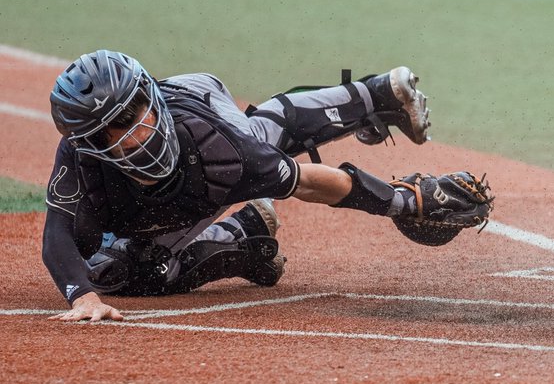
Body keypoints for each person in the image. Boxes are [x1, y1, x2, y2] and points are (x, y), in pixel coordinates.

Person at [43, 49, 486, 322]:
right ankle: (247, 233)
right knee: (123, 271)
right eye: (108, 132)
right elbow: (57, 237)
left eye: (132, 114)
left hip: (204, 103)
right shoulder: (80, 160)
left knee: (258, 148)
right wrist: (83, 296)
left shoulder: (217, 146)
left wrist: (401, 202)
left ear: (150, 98)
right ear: (86, 143)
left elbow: (310, 182)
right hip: (161, 203)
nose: (129, 134)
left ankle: (375, 95)